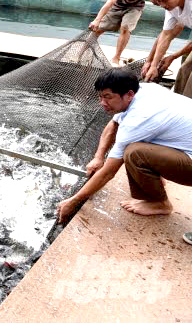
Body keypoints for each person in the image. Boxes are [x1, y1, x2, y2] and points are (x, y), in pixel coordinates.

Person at [57, 69, 192, 247]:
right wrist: (98, 157)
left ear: (128, 94)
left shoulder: (139, 119)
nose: (102, 103)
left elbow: (108, 172)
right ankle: (156, 181)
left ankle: (160, 203)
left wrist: (73, 201)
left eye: (108, 97)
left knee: (134, 153)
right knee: (139, 146)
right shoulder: (144, 90)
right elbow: (113, 123)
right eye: (100, 97)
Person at [88, 0, 150, 66]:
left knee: (125, 28)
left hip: (135, 8)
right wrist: (97, 20)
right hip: (117, 6)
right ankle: (83, 52)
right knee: (97, 29)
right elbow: (110, 2)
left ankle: (116, 57)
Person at [142, 0, 192, 98]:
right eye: (159, 2)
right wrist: (153, 65)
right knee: (185, 68)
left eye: (164, 1)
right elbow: (165, 35)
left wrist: (173, 56)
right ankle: (178, 102)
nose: (162, 5)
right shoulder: (171, 5)